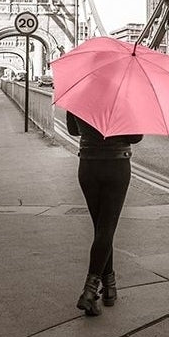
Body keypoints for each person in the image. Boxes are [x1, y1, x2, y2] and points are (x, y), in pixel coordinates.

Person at [65, 110, 143, 316]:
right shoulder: (124, 98)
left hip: (88, 166)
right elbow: (136, 137)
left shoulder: (80, 93)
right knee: (106, 229)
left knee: (101, 229)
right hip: (116, 166)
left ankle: (109, 288)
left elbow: (72, 130)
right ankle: (89, 292)